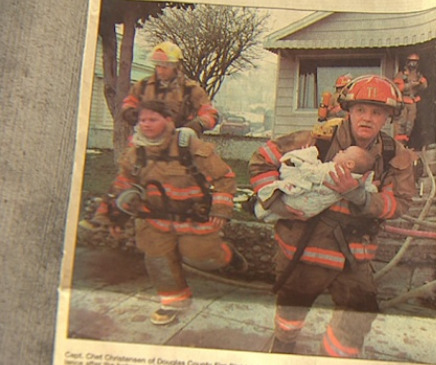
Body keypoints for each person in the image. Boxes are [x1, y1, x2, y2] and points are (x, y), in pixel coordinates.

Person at [249, 75, 417, 357]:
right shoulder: (318, 138)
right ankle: (283, 346)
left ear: (388, 117)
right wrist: (276, 200)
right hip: (304, 244)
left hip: (354, 250)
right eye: (361, 109)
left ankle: (336, 356)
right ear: (348, 110)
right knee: (292, 305)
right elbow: (262, 158)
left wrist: (362, 198)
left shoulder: (392, 155)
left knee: (359, 312)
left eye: (376, 112)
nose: (367, 118)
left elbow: (400, 203)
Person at [90, 100, 246, 325]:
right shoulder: (136, 150)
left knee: (203, 256)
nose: (146, 124)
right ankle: (173, 303)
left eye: (153, 119)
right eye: (143, 120)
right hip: (153, 220)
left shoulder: (187, 145)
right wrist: (111, 214)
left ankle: (226, 255)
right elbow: (123, 183)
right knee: (158, 261)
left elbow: (224, 177)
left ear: (168, 121)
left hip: (193, 218)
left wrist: (221, 209)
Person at [254, 145, 377, 222]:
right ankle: (264, 209)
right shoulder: (317, 134)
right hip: (306, 219)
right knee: (282, 209)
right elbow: (261, 158)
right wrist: (275, 203)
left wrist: (301, 161)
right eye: (360, 110)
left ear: (349, 164)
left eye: (344, 152)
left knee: (289, 200)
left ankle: (259, 210)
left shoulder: (335, 170)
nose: (340, 151)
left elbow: (314, 173)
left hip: (307, 203)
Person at [120, 41, 219, 135]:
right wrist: (129, 112)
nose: (160, 71)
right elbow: (129, 102)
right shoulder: (143, 86)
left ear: (176, 66)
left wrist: (199, 124)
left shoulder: (191, 89)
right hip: (147, 142)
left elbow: (210, 113)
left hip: (180, 143)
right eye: (158, 66)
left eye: (165, 67)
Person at [393, 53, 428, 145]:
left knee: (410, 124)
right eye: (411, 62)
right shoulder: (401, 74)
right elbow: (397, 88)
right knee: (402, 123)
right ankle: (398, 143)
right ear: (407, 62)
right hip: (403, 102)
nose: (413, 64)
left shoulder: (418, 75)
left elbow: (424, 86)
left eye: (415, 62)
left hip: (413, 102)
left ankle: (405, 143)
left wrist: (421, 83)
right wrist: (410, 85)